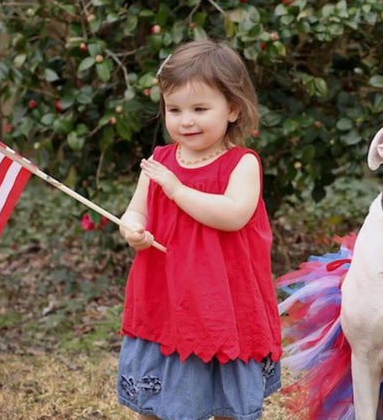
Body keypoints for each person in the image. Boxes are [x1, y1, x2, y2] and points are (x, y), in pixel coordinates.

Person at [116, 40, 282, 420]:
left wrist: (176, 189)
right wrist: (133, 228)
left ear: (233, 109)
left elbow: (233, 214)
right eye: (174, 109)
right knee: (156, 402)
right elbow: (136, 209)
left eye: (200, 109)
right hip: (166, 296)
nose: (185, 120)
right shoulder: (160, 161)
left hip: (222, 300)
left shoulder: (242, 164)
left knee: (226, 400)